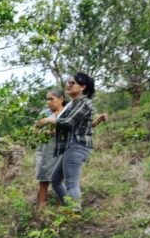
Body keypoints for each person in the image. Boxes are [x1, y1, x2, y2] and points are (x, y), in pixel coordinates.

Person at [36, 72, 108, 212]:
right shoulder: (72, 104)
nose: (69, 85)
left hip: (77, 145)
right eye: (68, 82)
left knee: (71, 183)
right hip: (69, 146)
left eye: (73, 83)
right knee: (55, 180)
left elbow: (68, 123)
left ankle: (74, 212)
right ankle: (69, 208)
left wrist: (49, 120)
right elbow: (77, 125)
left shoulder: (84, 102)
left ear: (82, 87)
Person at [34, 90, 66, 209]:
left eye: (51, 99)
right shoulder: (45, 113)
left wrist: (56, 131)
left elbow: (72, 128)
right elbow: (35, 129)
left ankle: (60, 211)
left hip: (63, 151)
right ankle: (41, 210)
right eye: (47, 99)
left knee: (61, 181)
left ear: (61, 99)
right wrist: (42, 131)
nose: (49, 102)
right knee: (43, 181)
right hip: (45, 152)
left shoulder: (68, 113)